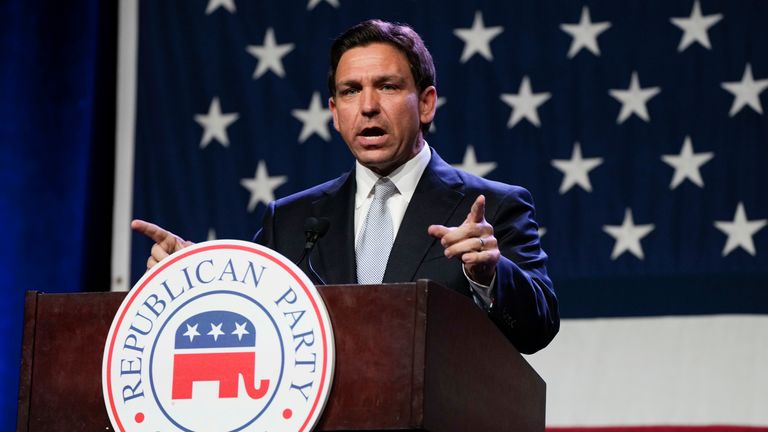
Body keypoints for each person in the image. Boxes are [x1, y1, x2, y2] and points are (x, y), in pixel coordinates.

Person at [132, 19, 558, 354]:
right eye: (351, 91)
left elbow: (537, 329)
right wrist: (199, 278)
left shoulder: (493, 207)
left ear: (426, 103)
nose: (368, 106)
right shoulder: (292, 220)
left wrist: (488, 275)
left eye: (387, 87)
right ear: (335, 113)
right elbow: (254, 320)